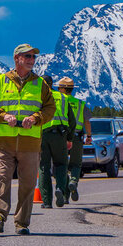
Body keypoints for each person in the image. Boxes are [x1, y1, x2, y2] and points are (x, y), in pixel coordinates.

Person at [0, 43, 56, 235]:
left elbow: (50, 109)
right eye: (28, 56)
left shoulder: (41, 84)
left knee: (28, 183)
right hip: (4, 141)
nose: (32, 60)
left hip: (30, 143)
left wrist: (35, 118)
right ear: (17, 59)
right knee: (2, 178)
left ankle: (22, 223)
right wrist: (3, 116)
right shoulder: (0, 81)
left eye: (33, 57)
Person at [39, 75, 76, 208]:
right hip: (60, 135)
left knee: (44, 167)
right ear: (52, 84)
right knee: (61, 165)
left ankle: (47, 202)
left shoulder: (37, 97)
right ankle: (60, 188)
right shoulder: (63, 97)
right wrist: (69, 138)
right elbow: (72, 121)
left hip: (42, 135)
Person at [57, 77, 92, 202]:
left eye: (58, 88)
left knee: (62, 164)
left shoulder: (58, 102)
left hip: (61, 136)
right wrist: (89, 136)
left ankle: (64, 194)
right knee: (76, 163)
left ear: (62, 89)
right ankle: (73, 181)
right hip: (77, 136)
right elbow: (87, 121)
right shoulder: (80, 104)